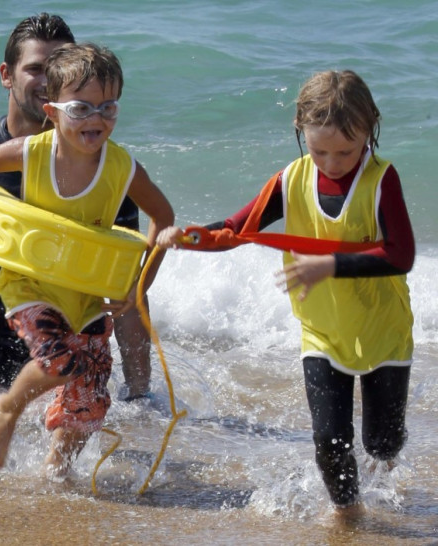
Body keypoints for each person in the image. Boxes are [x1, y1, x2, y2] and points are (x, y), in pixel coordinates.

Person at [157, 70, 414, 515]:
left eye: (346, 152)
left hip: (383, 331)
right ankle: (348, 517)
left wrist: (329, 265)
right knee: (329, 440)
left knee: (380, 441)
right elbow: (238, 230)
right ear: (300, 131)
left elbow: (401, 255)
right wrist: (188, 237)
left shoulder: (380, 181)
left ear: (370, 130)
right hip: (321, 333)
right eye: (319, 151)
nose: (332, 163)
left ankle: (384, 468)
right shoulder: (290, 180)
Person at [0, 42, 175, 475]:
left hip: (85, 295)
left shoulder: (123, 168)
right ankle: (7, 409)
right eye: (81, 109)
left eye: (107, 109)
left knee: (91, 396)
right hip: (29, 285)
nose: (95, 119)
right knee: (60, 363)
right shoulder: (32, 152)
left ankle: (55, 470)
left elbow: (163, 218)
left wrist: (138, 285)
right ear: (52, 112)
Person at [0, 13, 152, 400]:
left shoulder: (108, 172)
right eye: (36, 68)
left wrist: (141, 393)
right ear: (7, 74)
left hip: (66, 354)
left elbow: (127, 292)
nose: (47, 81)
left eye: (57, 68)